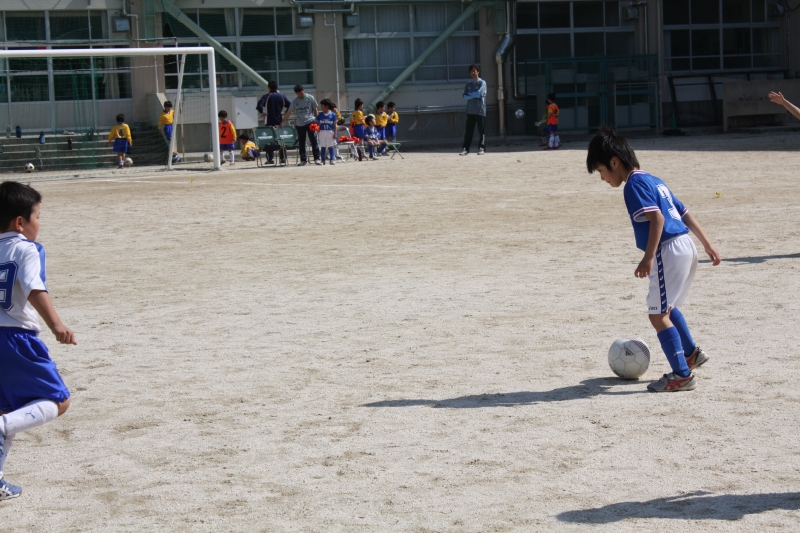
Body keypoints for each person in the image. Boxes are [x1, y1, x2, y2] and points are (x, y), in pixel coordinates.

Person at [586, 128, 721, 392]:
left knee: (658, 315)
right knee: (667, 307)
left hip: (667, 249)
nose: (602, 177)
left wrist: (648, 257)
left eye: (601, 171)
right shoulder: (654, 180)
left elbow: (657, 218)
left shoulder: (633, 185)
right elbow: (684, 212)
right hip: (686, 245)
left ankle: (682, 375)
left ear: (614, 162)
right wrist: (706, 244)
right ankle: (691, 354)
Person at [0, 181, 77, 501]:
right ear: (20, 222)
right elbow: (34, 288)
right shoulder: (26, 248)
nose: (39, 223)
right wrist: (56, 324)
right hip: (15, 338)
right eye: (38, 217)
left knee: (9, 409)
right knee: (59, 401)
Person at [256, 81, 291, 164]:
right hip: (279, 121)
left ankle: (270, 159)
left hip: (269, 120)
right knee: (281, 139)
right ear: (277, 87)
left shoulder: (267, 96)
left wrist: (262, 113)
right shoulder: (282, 96)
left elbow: (259, 106)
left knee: (269, 139)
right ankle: (283, 158)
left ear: (269, 88)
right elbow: (290, 104)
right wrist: (285, 112)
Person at [284, 85, 320, 166]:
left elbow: (315, 109)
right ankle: (303, 160)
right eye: (298, 94)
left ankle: (317, 158)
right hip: (300, 123)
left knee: (313, 140)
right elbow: (289, 112)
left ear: (303, 90)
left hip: (311, 121)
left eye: (301, 93)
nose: (300, 95)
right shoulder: (295, 101)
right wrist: (283, 121)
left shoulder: (310, 98)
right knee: (301, 142)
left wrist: (317, 120)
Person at [460, 64, 487, 156]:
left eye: (474, 71)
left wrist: (471, 94)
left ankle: (481, 148)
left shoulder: (482, 83)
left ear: (478, 72)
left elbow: (479, 94)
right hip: (470, 111)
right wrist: (473, 94)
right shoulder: (468, 84)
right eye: (471, 71)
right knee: (468, 131)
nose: (473, 72)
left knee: (481, 131)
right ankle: (465, 149)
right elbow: (464, 96)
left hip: (480, 110)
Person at [316, 99, 338, 165]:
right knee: (323, 146)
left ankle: (332, 159)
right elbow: (317, 124)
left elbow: (335, 125)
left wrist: (335, 133)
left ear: (327, 106)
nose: (321, 107)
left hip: (330, 132)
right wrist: (316, 127)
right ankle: (323, 160)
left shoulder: (333, 115)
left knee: (330, 146)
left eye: (322, 106)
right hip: (322, 132)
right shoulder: (320, 115)